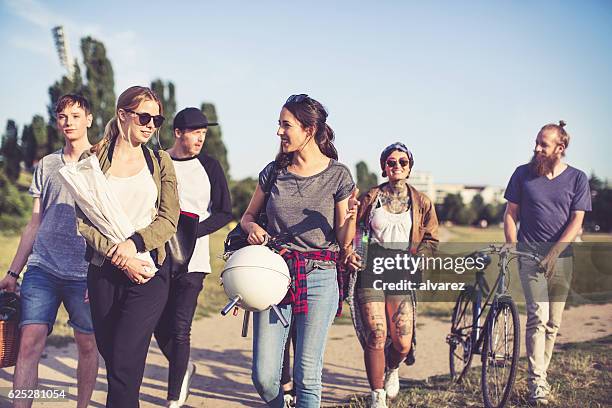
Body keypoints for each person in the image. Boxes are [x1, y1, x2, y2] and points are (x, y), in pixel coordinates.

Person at [241, 94, 358, 407]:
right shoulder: (273, 171)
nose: (279, 132)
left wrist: (351, 217)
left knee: (307, 376)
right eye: (279, 124)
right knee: (264, 377)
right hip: (274, 274)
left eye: (285, 125)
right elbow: (247, 216)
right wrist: (254, 229)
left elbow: (344, 240)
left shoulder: (339, 175)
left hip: (320, 276)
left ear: (309, 130)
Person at [76, 86, 180, 408]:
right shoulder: (91, 159)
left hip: (149, 274)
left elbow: (168, 219)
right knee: (117, 362)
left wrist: (133, 245)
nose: (151, 125)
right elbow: (83, 222)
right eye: (144, 116)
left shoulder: (160, 161)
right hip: (104, 273)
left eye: (157, 119)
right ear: (122, 114)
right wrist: (117, 256)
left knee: (123, 359)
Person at [0, 94, 99, 408]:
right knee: (29, 343)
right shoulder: (47, 164)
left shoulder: (101, 162)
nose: (68, 122)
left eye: (75, 115)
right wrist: (13, 272)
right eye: (62, 117)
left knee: (86, 344)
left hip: (84, 272)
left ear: (89, 120)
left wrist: (101, 273)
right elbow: (33, 223)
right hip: (43, 268)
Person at [345, 142, 439, 408]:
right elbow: (353, 229)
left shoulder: (421, 201)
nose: (396, 166)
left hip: (402, 269)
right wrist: (350, 251)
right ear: (384, 167)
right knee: (376, 333)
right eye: (391, 162)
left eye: (402, 162)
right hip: (372, 267)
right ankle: (377, 396)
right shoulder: (370, 197)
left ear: (409, 167)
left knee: (402, 342)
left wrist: (422, 257)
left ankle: (392, 369)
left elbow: (431, 239)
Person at [504, 121, 591, 405]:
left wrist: (555, 252)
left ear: (560, 148)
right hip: (530, 256)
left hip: (562, 258)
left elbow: (577, 220)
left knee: (553, 323)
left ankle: (541, 372)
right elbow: (510, 215)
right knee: (537, 318)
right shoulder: (522, 175)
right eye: (537, 142)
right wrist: (514, 247)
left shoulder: (577, 179)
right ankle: (537, 382)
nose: (537, 148)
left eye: (544, 144)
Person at [154, 107, 232, 407]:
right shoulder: (159, 161)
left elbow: (225, 211)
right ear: (178, 133)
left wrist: (191, 230)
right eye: (194, 133)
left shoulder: (210, 166)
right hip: (158, 257)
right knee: (155, 324)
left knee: (180, 326)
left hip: (194, 260)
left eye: (203, 133)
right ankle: (183, 365)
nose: (200, 138)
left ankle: (173, 398)